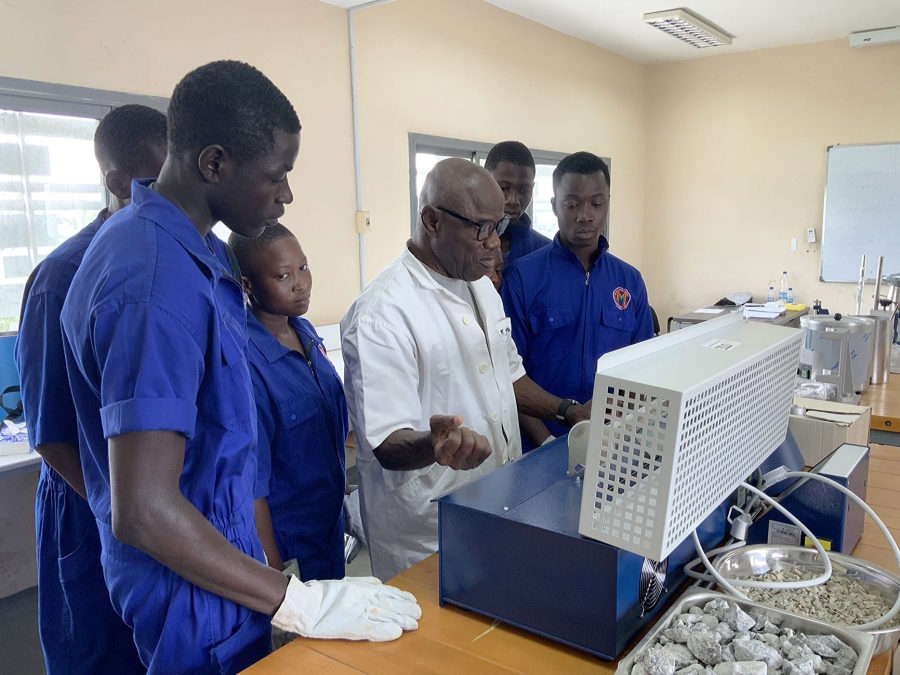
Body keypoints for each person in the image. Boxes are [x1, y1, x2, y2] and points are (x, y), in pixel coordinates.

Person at [60, 61, 419, 675]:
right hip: (191, 592)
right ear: (214, 163)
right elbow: (144, 509)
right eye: (277, 176)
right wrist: (297, 602)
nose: (287, 195)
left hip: (226, 569)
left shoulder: (195, 253)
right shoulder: (152, 280)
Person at [341, 158, 591, 582]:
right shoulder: (382, 315)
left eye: (500, 225)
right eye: (481, 228)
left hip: (498, 502)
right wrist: (434, 444)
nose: (495, 244)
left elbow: (509, 376)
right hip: (426, 533)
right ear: (432, 221)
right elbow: (386, 442)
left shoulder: (479, 286)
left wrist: (567, 411)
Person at [15, 103, 167, 675]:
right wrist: (123, 512)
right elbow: (50, 434)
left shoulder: (170, 259)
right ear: (118, 182)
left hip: (154, 504)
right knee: (98, 655)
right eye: (157, 182)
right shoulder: (63, 276)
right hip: (89, 504)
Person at [500, 151, 654, 445]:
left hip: (612, 440)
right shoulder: (521, 278)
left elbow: (643, 368)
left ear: (607, 203)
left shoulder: (629, 281)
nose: (585, 215)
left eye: (597, 203)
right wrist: (546, 443)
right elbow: (509, 374)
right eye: (571, 205)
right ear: (554, 206)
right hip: (540, 444)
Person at [228, 224, 347, 583]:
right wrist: (277, 579)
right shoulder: (247, 365)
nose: (301, 284)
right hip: (288, 544)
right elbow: (252, 492)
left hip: (329, 530)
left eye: (303, 268)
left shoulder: (304, 331)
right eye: (284, 276)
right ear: (247, 284)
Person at [484, 140, 551, 270]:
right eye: (504, 188)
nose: (513, 200)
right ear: (485, 182)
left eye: (524, 190)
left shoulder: (545, 251)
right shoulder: (464, 244)